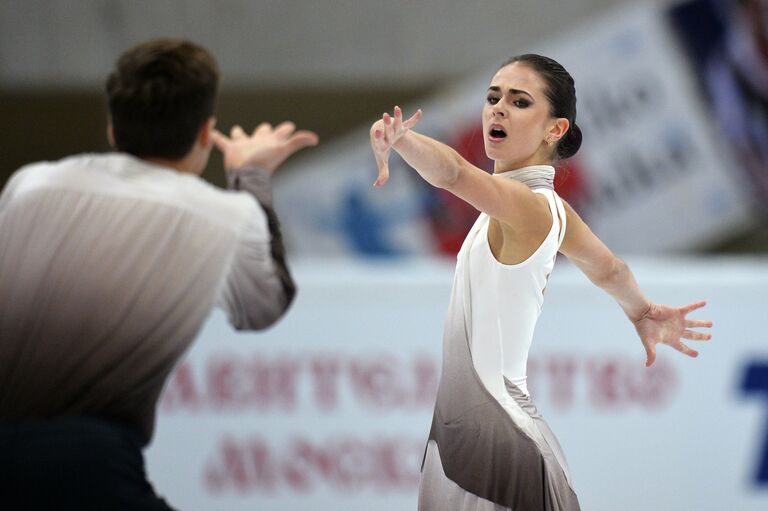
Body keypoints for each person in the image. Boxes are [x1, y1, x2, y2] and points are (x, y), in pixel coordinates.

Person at [370, 54, 713, 511]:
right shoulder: (552, 209)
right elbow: (611, 270)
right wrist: (642, 311)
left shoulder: (527, 207)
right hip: (477, 440)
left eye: (519, 101)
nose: (497, 108)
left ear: (555, 129)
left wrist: (403, 140)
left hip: (496, 446)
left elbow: (452, 172)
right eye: (493, 97)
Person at [0, 38, 317, 510]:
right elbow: (262, 310)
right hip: (87, 463)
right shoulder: (226, 216)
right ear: (206, 133)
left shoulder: (30, 184)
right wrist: (250, 176)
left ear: (112, 127)